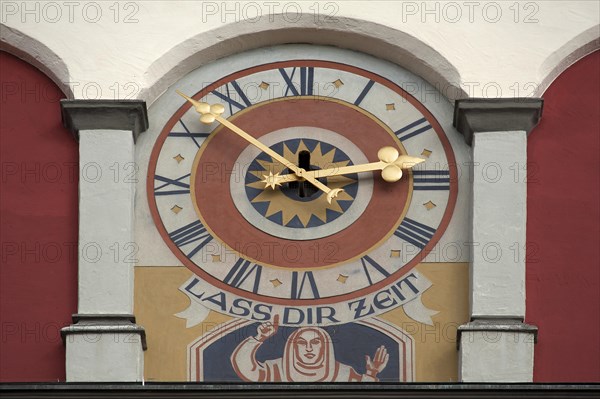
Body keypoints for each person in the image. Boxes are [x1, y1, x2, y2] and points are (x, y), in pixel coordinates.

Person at [231, 315, 389, 382]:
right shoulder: (277, 369)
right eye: (301, 343)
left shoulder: (343, 372)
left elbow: (363, 391)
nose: (308, 348)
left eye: (315, 342)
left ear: (324, 347)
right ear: (293, 347)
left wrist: (371, 373)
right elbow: (245, 368)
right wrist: (259, 338)